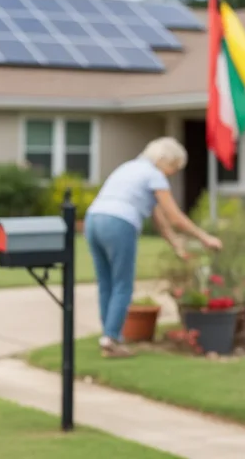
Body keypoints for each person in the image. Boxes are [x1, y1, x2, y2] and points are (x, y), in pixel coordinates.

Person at [84, 137, 223, 358]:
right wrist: (205, 237)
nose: (172, 173)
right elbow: (174, 217)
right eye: (173, 167)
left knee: (106, 282)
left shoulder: (129, 168)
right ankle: (111, 340)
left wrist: (176, 245)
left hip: (93, 220)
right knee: (123, 285)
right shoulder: (154, 174)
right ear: (163, 159)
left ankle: (108, 335)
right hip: (119, 224)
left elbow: (159, 218)